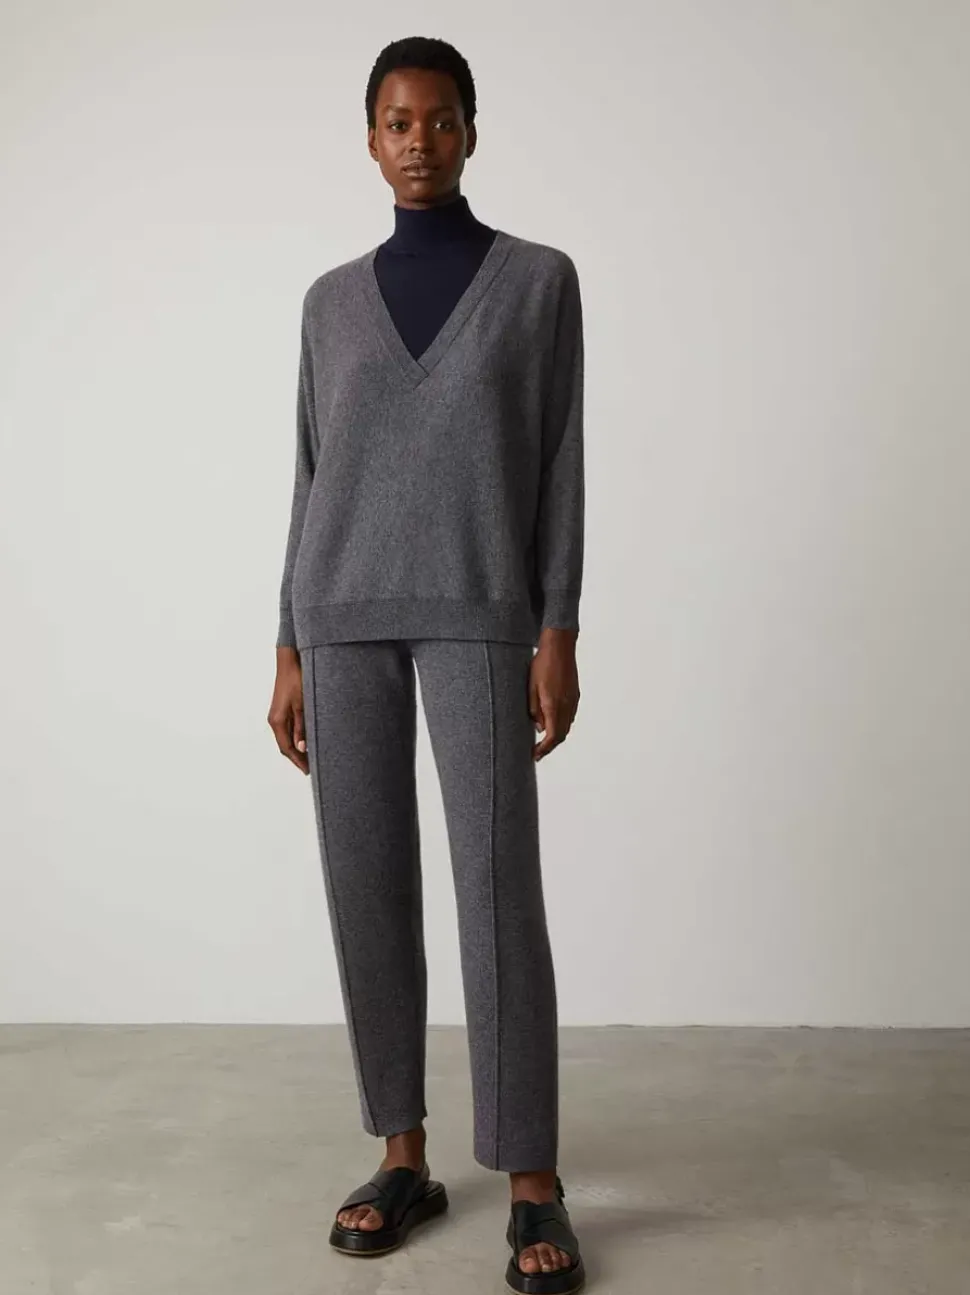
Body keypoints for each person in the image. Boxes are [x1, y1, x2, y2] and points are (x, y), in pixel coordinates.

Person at [267, 34, 586, 1294]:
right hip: (336, 609)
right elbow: (307, 477)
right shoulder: (326, 302)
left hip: (481, 607)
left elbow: (560, 461)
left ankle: (531, 1175)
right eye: (396, 122)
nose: (418, 141)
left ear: (470, 131)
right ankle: (401, 1152)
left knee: (497, 888)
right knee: (366, 880)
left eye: (439, 119)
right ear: (369, 138)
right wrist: (285, 641)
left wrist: (557, 624)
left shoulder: (538, 282)